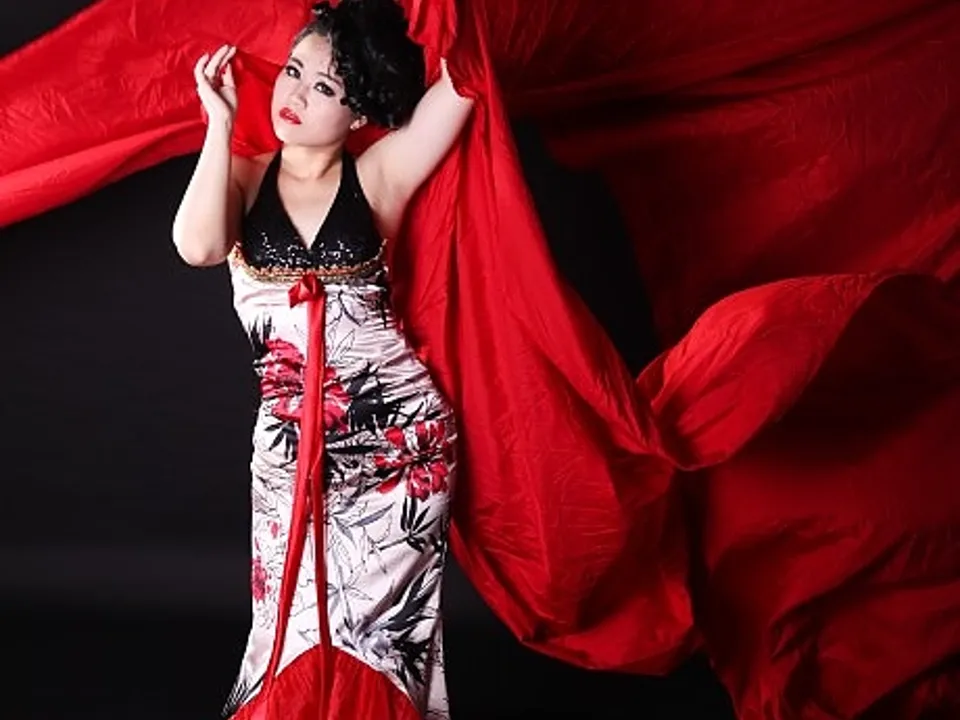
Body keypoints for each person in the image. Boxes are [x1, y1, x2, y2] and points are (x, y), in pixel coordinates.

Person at [171, 1, 474, 718]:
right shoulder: (243, 178)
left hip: (399, 444)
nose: (296, 94)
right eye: (293, 71)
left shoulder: (379, 175)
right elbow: (199, 246)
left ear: (359, 110)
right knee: (287, 622)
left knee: (381, 636)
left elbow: (467, 81)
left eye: (326, 86)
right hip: (287, 441)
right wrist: (219, 123)